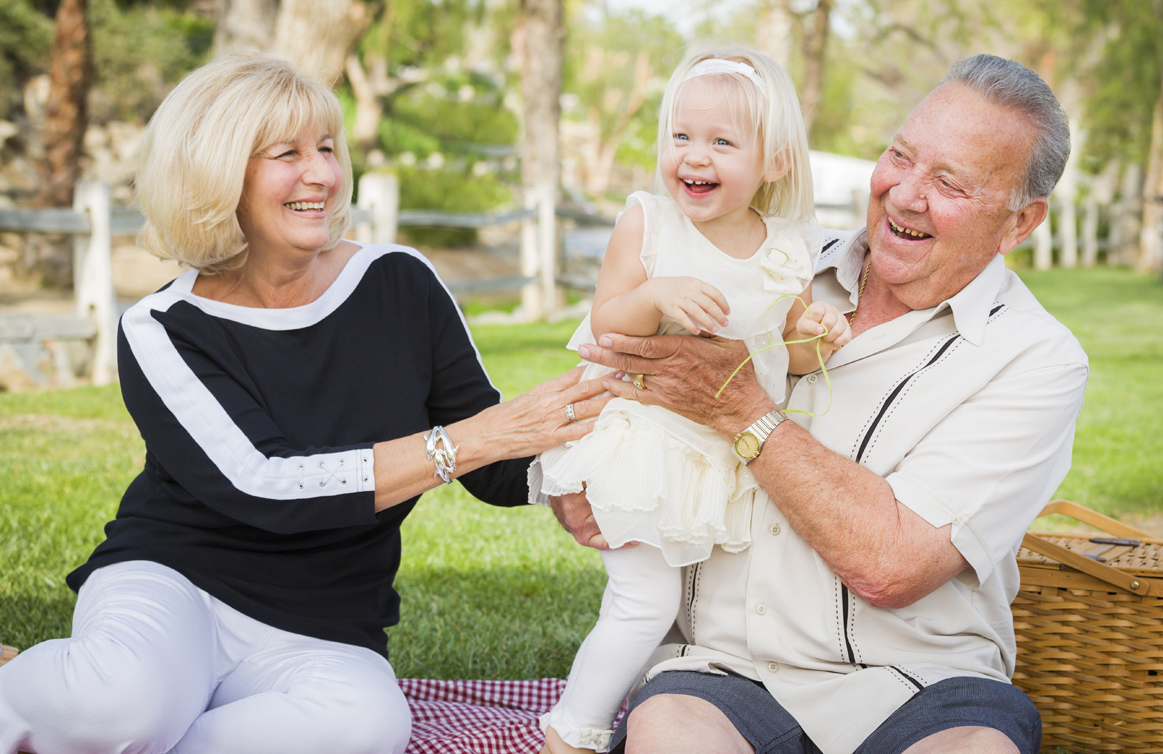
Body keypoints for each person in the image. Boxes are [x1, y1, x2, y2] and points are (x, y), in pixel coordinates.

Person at [0, 53, 608, 754]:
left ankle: (104, 719)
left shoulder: (400, 283)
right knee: (121, 704)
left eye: (327, 148)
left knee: (366, 729)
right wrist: (469, 442)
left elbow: (492, 460)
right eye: (287, 154)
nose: (321, 173)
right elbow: (265, 483)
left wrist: (557, 476)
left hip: (326, 620)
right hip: (177, 584)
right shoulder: (162, 327)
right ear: (217, 172)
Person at [553, 53, 1089, 754]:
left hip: (922, 683)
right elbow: (608, 361)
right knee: (667, 735)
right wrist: (577, 473)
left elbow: (892, 566)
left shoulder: (1034, 358)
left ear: (1019, 224)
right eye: (901, 156)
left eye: (949, 182)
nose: (905, 194)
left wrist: (742, 410)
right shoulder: (776, 261)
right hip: (724, 670)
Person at [530, 44, 850, 754]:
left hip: (717, 456)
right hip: (644, 443)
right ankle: (571, 731)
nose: (693, 156)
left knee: (681, 613)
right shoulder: (650, 221)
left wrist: (817, 334)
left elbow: (784, 352)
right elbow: (607, 322)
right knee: (646, 600)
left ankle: (650, 716)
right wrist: (656, 294)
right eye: (681, 136)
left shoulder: (786, 248)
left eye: (722, 142)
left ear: (775, 162)